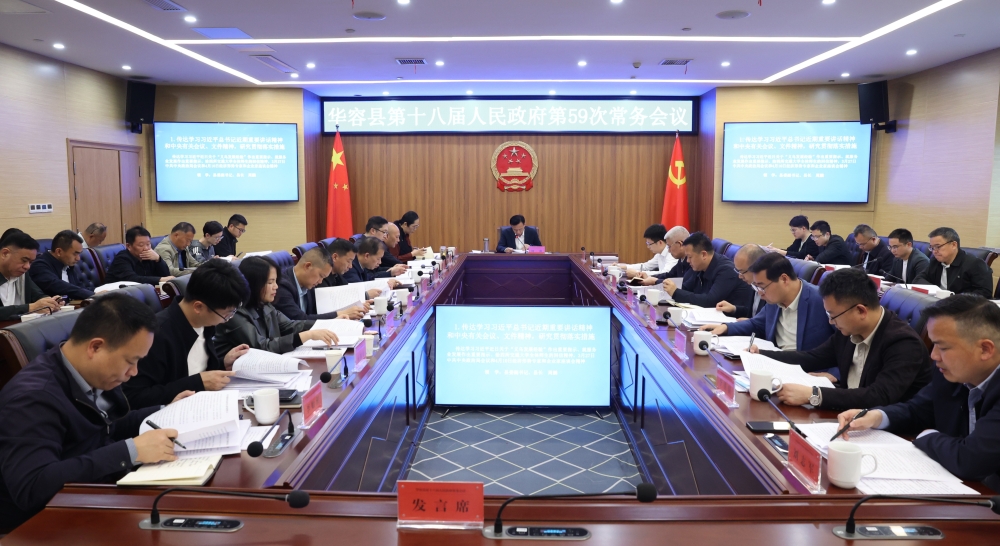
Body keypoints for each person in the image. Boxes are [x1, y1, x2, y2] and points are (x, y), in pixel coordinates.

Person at [0, 293, 188, 531]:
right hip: (43, 524)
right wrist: (130, 451)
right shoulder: (32, 399)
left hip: (93, 494)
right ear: (96, 347)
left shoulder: (89, 371)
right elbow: (32, 487)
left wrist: (167, 411)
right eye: (130, 361)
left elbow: (108, 425)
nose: (134, 372)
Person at [837, 295, 1000, 484]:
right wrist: (876, 417)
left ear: (985, 349)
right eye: (933, 344)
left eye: (943, 347)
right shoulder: (953, 370)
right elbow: (918, 411)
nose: (934, 356)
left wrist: (927, 436)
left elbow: (970, 459)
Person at [753, 268, 932, 410]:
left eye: (833, 315)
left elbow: (879, 396)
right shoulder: (849, 329)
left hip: (890, 431)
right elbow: (813, 357)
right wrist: (760, 355)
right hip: (848, 414)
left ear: (860, 311)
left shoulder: (903, 343)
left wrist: (814, 394)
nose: (831, 322)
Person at [123, 260, 252, 408]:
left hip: (204, 403)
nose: (227, 320)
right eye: (226, 315)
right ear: (198, 307)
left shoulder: (205, 323)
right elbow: (134, 397)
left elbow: (198, 369)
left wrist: (223, 363)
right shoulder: (155, 335)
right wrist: (197, 383)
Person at [213, 256, 341, 359]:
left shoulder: (264, 305)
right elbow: (262, 347)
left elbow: (291, 325)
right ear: (253, 284)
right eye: (270, 282)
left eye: (275, 281)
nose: (276, 287)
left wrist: (330, 324)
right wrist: (307, 336)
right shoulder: (233, 313)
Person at [704, 253, 835, 351]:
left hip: (808, 370)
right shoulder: (775, 299)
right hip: (776, 363)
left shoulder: (821, 300)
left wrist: (833, 374)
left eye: (762, 287)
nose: (760, 293)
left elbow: (843, 346)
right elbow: (756, 324)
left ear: (784, 279)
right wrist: (726, 328)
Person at [658, 232, 755, 308]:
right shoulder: (699, 267)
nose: (687, 261)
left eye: (690, 257)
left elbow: (709, 301)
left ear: (703, 255)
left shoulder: (726, 270)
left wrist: (676, 292)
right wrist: (664, 286)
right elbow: (685, 288)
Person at [274, 246, 367, 321]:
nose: (320, 281)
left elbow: (321, 309)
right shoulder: (281, 286)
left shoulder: (308, 282)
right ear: (308, 266)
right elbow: (299, 319)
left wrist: (354, 306)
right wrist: (340, 314)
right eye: (321, 276)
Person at [914, 227, 992, 298]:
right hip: (938, 302)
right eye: (932, 247)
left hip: (963, 306)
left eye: (938, 246)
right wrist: (937, 291)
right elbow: (918, 279)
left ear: (954, 245)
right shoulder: (935, 261)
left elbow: (984, 293)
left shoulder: (974, 263)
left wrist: (954, 298)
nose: (934, 251)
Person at [0, 233, 61, 320]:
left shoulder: (22, 274)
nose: (27, 266)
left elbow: (38, 295)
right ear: (5, 253)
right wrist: (30, 308)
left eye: (30, 262)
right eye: (24, 260)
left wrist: (50, 303)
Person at [28, 230, 95, 300]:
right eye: (75, 254)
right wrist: (93, 295)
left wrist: (98, 292)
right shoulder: (39, 266)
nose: (78, 258)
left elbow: (80, 288)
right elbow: (60, 287)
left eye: (79, 254)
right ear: (59, 252)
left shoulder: (67, 264)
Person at [105, 227, 173, 286]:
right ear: (129, 246)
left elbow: (166, 276)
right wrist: (160, 280)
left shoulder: (150, 256)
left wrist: (158, 259)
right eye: (141, 245)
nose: (146, 248)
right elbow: (132, 279)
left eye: (148, 244)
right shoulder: (122, 259)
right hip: (116, 294)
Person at [715, 243, 767, 319]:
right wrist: (734, 309)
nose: (740, 276)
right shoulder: (753, 284)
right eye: (738, 271)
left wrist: (750, 322)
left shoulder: (770, 291)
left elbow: (766, 321)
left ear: (757, 268)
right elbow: (753, 312)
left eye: (742, 272)